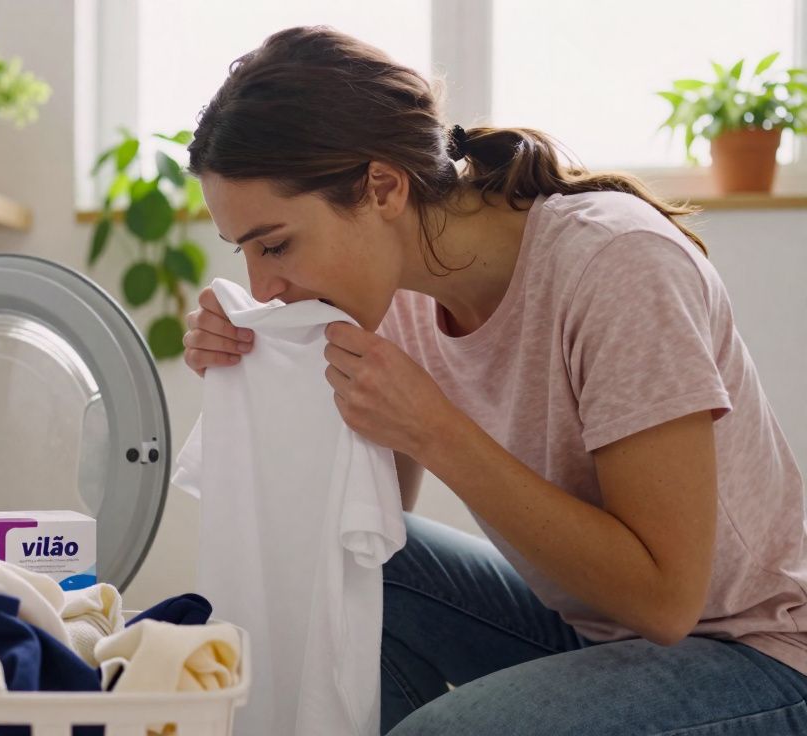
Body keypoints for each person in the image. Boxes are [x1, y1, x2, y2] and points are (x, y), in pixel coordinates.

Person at [182, 25, 807, 735]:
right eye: (246, 254)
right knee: (346, 563)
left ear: (382, 186)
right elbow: (374, 517)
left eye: (277, 244)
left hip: (756, 653)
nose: (263, 285)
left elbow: (668, 602)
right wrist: (261, 377)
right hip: (592, 632)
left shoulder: (617, 265)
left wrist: (438, 431)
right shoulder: (396, 291)